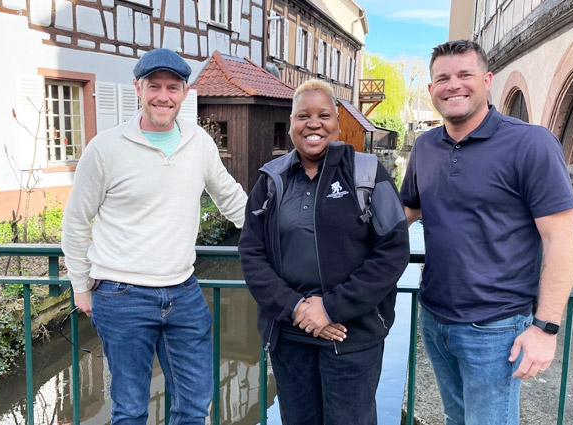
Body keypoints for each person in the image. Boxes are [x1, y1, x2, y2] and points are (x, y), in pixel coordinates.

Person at [61, 48, 248, 425]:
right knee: (130, 410)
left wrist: (279, 232)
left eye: (173, 88)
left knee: (195, 405)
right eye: (154, 87)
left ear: (184, 92)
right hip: (120, 293)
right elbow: (77, 219)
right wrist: (80, 286)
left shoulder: (198, 143)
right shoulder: (106, 148)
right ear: (138, 88)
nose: (164, 96)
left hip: (183, 291)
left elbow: (230, 197)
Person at [400, 40, 573, 425]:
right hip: (435, 316)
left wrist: (545, 328)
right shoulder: (425, 147)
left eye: (465, 75)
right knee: (456, 418)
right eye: (442, 78)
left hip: (496, 328)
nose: (454, 85)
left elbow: (561, 240)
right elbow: (406, 214)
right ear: (431, 90)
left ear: (487, 80)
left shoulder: (530, 144)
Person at [238, 79, 409, 425]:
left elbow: (393, 250)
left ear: (337, 121)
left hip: (351, 336)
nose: (313, 123)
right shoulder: (271, 181)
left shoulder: (367, 174)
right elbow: (252, 254)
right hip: (289, 333)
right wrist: (298, 308)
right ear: (291, 126)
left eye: (323, 114)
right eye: (303, 115)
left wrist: (330, 308)